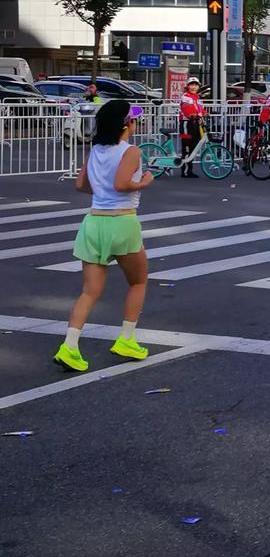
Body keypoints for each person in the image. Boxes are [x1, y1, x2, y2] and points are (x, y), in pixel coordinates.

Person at [54, 99, 154, 373]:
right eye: (132, 119)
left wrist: (102, 191)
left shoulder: (95, 148)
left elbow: (81, 185)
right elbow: (123, 184)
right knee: (138, 281)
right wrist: (145, 181)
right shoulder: (131, 151)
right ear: (125, 124)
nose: (135, 123)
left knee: (89, 291)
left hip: (94, 222)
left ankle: (70, 346)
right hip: (122, 221)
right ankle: (126, 339)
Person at [178, 77, 206, 177]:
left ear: (199, 86)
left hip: (196, 124)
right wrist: (193, 115)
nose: (194, 87)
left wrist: (205, 113)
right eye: (191, 84)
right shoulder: (186, 97)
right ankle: (185, 171)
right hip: (187, 124)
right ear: (188, 86)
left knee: (193, 148)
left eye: (196, 85)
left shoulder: (196, 97)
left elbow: (200, 110)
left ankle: (189, 170)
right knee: (187, 149)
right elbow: (186, 109)